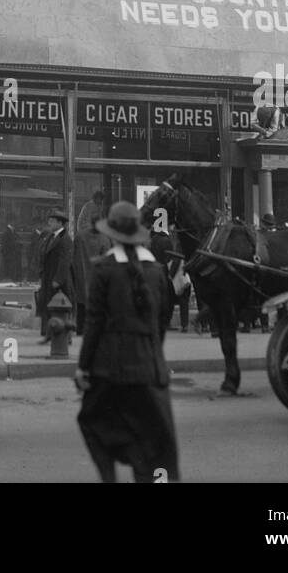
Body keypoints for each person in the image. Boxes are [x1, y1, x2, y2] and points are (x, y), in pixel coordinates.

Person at [75, 200, 179, 484]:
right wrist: (154, 355)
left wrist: (83, 367)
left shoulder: (103, 270)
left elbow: (93, 323)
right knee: (150, 439)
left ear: (113, 234)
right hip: (149, 367)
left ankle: (108, 476)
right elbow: (161, 323)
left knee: (92, 422)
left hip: (109, 368)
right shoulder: (157, 272)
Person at [37, 206, 75, 343]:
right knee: (50, 307)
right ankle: (50, 334)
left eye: (52, 221)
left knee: (61, 307)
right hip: (48, 277)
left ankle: (66, 336)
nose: (50, 223)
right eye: (50, 221)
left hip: (60, 280)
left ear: (60, 223)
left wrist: (58, 279)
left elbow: (65, 261)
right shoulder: (50, 237)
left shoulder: (65, 239)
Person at [73, 210, 111, 335]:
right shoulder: (104, 239)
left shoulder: (80, 236)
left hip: (81, 276)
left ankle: (80, 329)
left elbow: (73, 257)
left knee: (81, 304)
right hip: (97, 277)